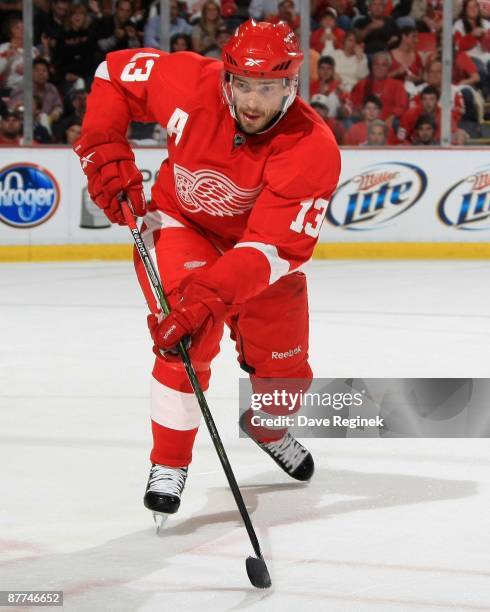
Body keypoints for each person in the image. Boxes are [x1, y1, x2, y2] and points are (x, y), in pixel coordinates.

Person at [74, 20, 340, 520]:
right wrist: (105, 147)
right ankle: (169, 462)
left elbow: (267, 251)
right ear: (227, 78)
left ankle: (269, 425)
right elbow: (110, 73)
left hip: (253, 253)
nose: (253, 101)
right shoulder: (185, 81)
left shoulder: (311, 147)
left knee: (284, 368)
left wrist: (207, 298)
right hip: (180, 222)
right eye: (243, 84)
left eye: (268, 87)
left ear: (291, 85)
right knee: (185, 341)